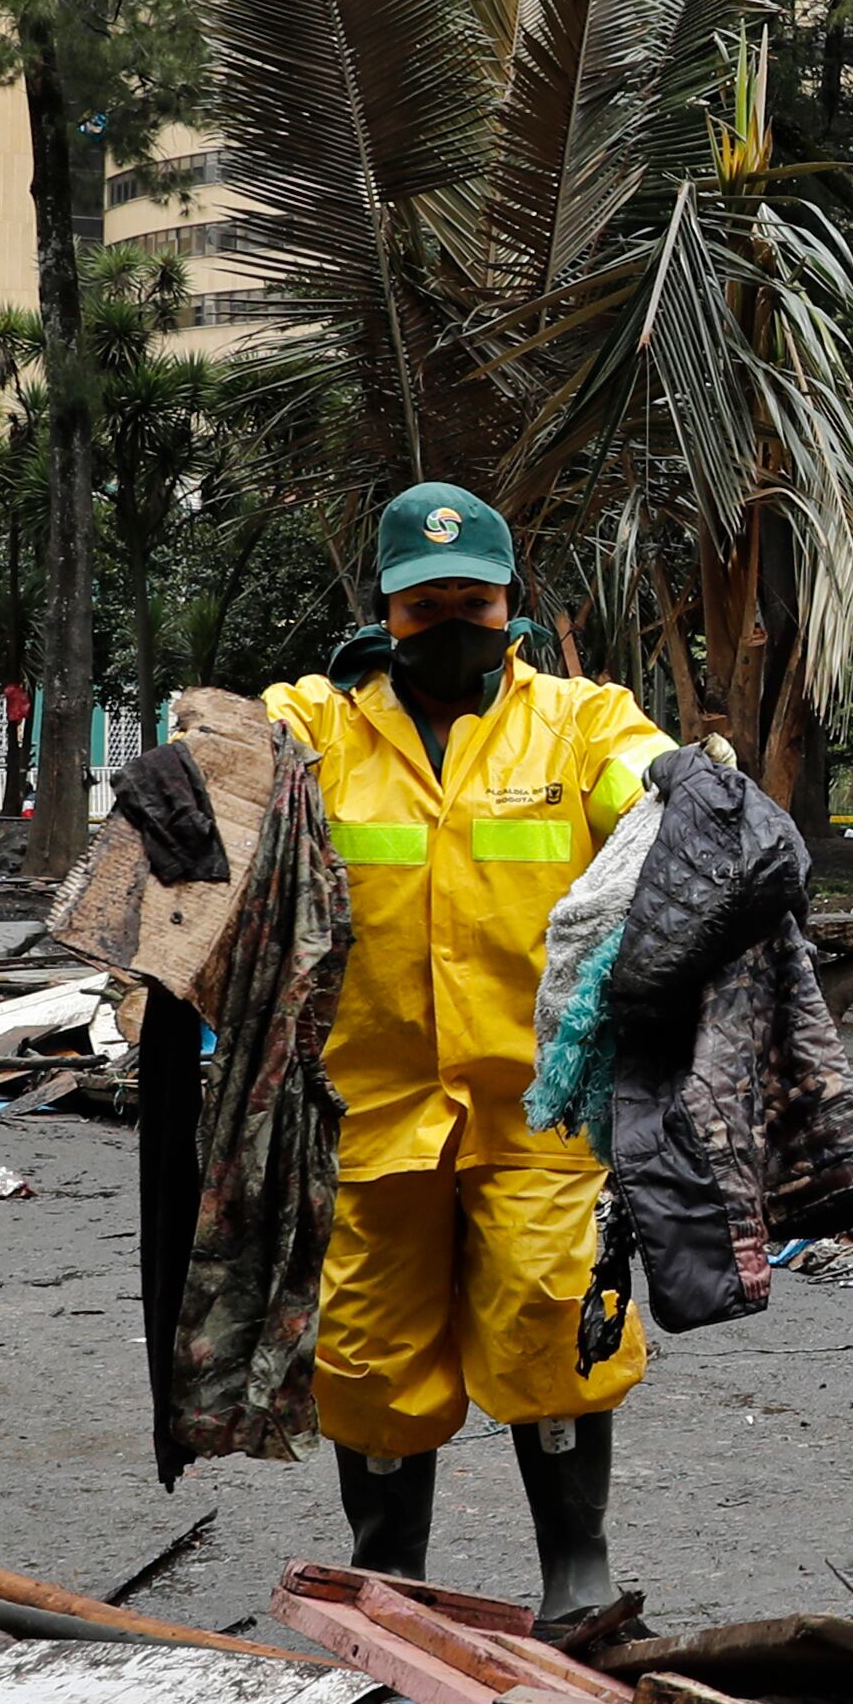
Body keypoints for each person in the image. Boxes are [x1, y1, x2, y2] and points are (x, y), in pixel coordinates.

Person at [265, 483, 673, 1636]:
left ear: (511, 605)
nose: (452, 623)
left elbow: (642, 776)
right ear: (383, 613)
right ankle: (389, 1578)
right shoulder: (324, 722)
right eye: (424, 605)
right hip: (372, 1100)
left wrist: (679, 783)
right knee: (367, 1353)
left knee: (556, 1322)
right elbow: (237, 751)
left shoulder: (580, 721)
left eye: (473, 600)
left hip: (535, 1100)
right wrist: (191, 771)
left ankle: (576, 1574)